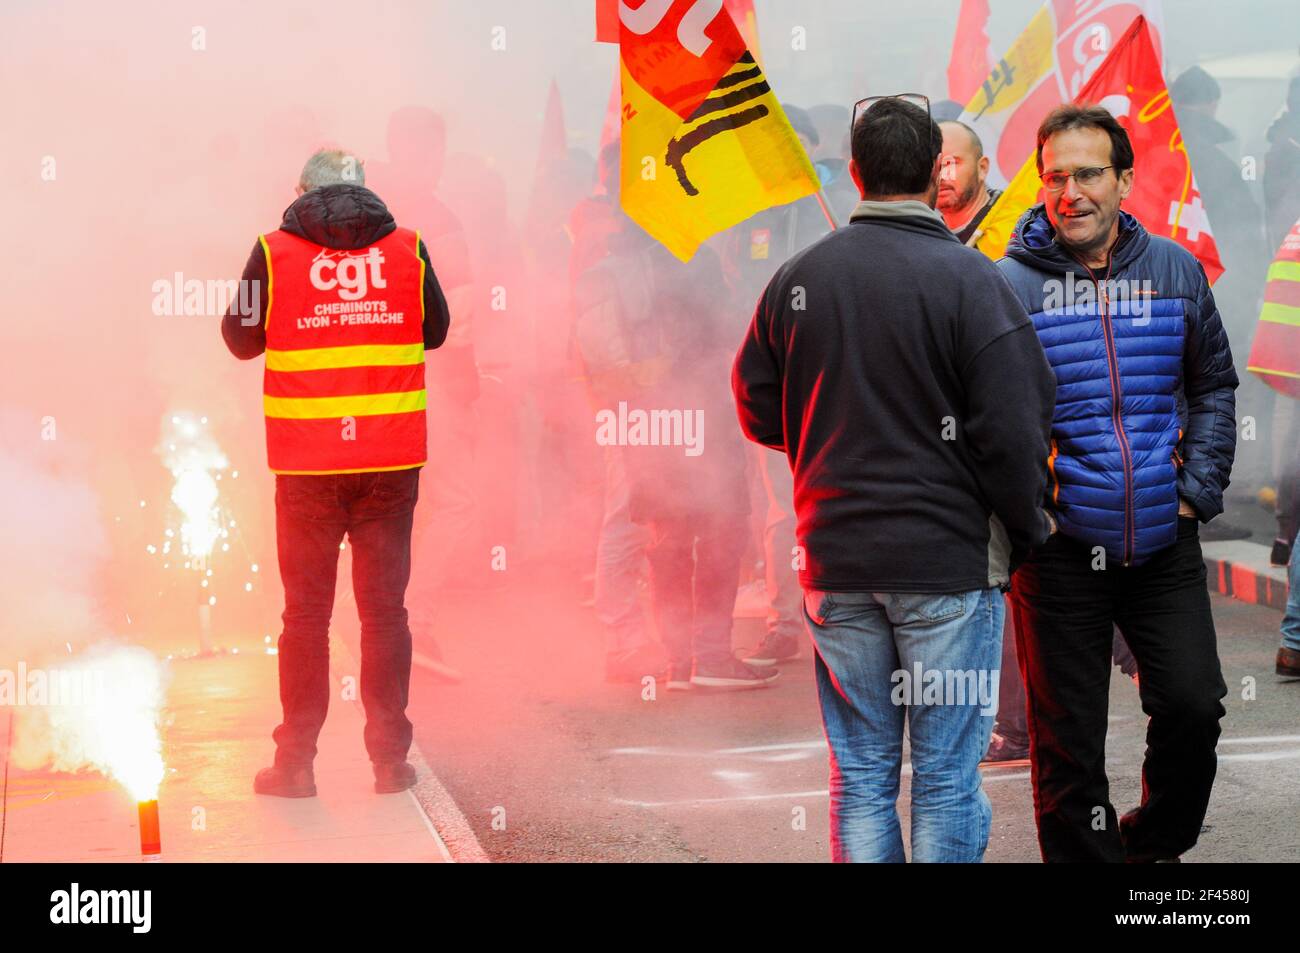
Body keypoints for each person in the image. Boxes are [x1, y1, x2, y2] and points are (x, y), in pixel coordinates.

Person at [734, 96, 1056, 861]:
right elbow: (1015, 427)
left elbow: (755, 402)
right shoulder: (971, 280)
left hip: (835, 562)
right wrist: (1027, 527)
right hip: (945, 565)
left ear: (853, 172)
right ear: (932, 171)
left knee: (862, 775)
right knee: (945, 778)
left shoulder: (798, 278)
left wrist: (823, 445)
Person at [998, 104, 1238, 862]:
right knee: (1068, 745)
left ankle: (1147, 848)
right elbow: (987, 419)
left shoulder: (1175, 270)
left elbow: (1214, 387)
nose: (1070, 192)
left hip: (1164, 540)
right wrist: (1033, 512)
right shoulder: (1005, 286)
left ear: (1126, 180)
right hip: (1061, 551)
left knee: (1193, 707)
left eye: (1089, 173)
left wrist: (1197, 488)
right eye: (1055, 177)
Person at [222, 149, 451, 797]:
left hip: (307, 466)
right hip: (388, 462)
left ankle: (294, 763)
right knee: (383, 613)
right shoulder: (407, 247)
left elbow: (239, 340)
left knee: (306, 617)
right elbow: (435, 331)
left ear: (301, 192)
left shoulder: (273, 252)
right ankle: (389, 761)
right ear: (364, 191)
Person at [576, 206, 774, 690]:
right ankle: (711, 656)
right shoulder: (692, 261)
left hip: (642, 420)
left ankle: (678, 661)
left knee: (668, 538)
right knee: (722, 528)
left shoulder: (606, 268)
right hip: (699, 412)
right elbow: (724, 330)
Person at [366, 107, 476, 682]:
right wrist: (469, 380)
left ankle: (376, 622)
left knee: (387, 501)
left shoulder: (356, 210)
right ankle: (413, 621)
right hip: (425, 381)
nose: (432, 163)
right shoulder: (433, 216)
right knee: (453, 501)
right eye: (426, 150)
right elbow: (459, 315)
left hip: (364, 387)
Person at [937, 120, 1002, 245]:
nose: (942, 175)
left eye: (952, 163)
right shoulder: (926, 236)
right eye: (933, 165)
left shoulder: (1014, 231)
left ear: (982, 167)